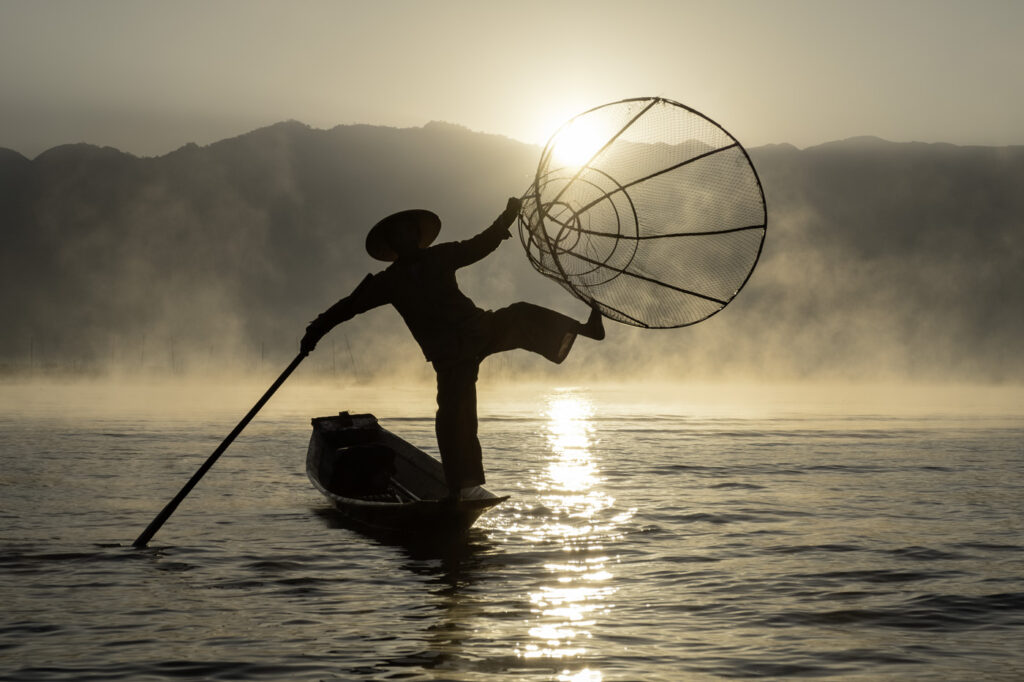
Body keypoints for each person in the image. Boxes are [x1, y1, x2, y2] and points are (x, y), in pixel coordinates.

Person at [300, 197, 604, 501]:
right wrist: (315, 330)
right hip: (450, 357)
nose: (406, 239)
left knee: (520, 313)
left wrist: (506, 218)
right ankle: (460, 490)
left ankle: (582, 328)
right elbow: (348, 307)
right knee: (453, 420)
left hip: (479, 330)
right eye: (399, 235)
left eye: (409, 233)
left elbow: (479, 245)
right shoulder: (388, 282)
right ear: (394, 244)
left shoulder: (441, 256)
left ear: (416, 238)